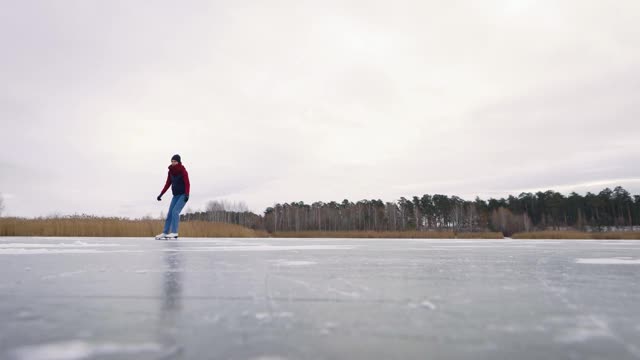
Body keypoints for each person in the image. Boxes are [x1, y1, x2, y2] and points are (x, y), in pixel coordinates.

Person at [156, 154, 190, 239]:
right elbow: (167, 184)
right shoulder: (170, 172)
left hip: (183, 195)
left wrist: (187, 194)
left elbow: (187, 183)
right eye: (172, 161)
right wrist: (161, 194)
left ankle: (174, 232)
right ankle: (165, 232)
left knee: (175, 211)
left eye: (174, 161)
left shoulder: (183, 171)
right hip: (175, 196)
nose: (173, 163)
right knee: (170, 213)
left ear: (178, 162)